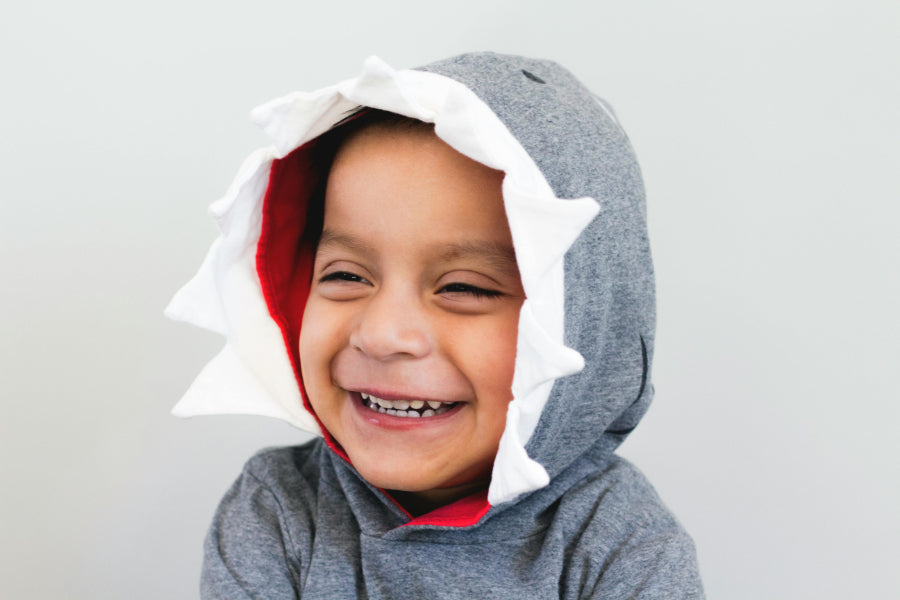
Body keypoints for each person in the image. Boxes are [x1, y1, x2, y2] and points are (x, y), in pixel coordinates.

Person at [167, 52, 704, 599]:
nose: (381, 335)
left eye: (464, 288)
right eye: (347, 275)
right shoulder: (278, 512)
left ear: (579, 325)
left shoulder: (622, 549)